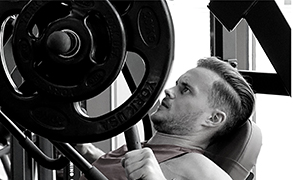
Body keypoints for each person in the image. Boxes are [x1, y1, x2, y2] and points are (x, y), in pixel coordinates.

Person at [75, 57, 255, 180]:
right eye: (177, 85)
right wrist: (88, 152)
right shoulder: (146, 149)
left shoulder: (199, 168)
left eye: (185, 90)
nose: (169, 91)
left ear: (213, 118)